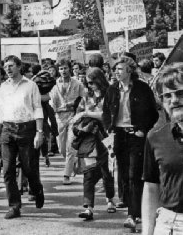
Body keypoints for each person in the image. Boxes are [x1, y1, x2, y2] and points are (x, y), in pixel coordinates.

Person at [142, 62, 183, 235]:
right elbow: (151, 188)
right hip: (168, 225)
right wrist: (147, 231)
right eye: (167, 96)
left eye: (180, 93)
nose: (174, 100)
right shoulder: (155, 137)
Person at [103, 56, 158, 231]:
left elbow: (153, 113)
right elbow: (106, 112)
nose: (116, 72)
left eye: (120, 69)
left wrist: (143, 129)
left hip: (136, 136)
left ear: (129, 70)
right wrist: (108, 130)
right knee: (124, 175)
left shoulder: (142, 88)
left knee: (135, 174)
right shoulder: (112, 89)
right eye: (115, 69)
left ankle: (133, 215)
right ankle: (132, 208)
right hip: (118, 135)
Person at [0, 55, 45, 219]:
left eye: (11, 66)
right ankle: (14, 206)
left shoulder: (30, 86)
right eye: (6, 66)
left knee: (29, 168)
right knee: (8, 170)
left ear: (18, 67)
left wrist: (39, 132)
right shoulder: (3, 87)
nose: (8, 69)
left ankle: (37, 189)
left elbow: (37, 108)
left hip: (27, 128)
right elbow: (0, 113)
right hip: (8, 129)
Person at [71, 67, 116, 221]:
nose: (90, 85)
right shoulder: (86, 97)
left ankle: (110, 200)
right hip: (89, 139)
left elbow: (107, 116)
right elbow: (78, 114)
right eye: (88, 83)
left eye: (92, 82)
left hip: (107, 137)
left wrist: (86, 114)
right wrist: (80, 121)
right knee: (89, 174)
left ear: (100, 80)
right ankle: (88, 208)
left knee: (107, 172)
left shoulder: (110, 94)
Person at [49, 59, 85, 185]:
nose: (63, 71)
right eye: (60, 69)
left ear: (69, 69)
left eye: (65, 68)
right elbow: (51, 103)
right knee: (62, 149)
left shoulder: (77, 83)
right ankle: (73, 161)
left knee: (70, 146)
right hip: (59, 118)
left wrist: (76, 107)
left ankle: (66, 175)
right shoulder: (55, 85)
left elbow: (84, 99)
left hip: (74, 118)